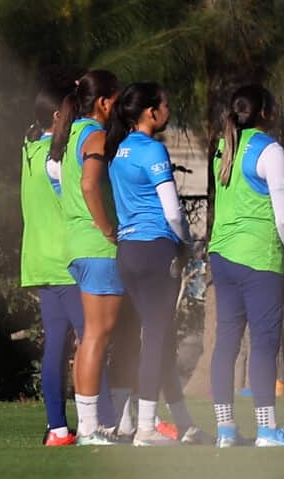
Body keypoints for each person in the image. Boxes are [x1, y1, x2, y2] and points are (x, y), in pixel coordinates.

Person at [207, 83, 284, 447]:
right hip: (258, 257)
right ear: (267, 112)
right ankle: (266, 430)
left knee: (226, 345)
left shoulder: (224, 146)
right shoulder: (270, 149)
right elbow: (283, 214)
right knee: (264, 344)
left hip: (223, 255)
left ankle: (225, 431)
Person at [104, 81, 192, 446]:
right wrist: (187, 242)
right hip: (155, 248)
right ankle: (146, 428)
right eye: (165, 105)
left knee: (147, 337)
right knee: (157, 338)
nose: (169, 111)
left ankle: (164, 422)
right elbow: (171, 209)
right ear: (150, 111)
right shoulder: (151, 149)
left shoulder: (119, 150)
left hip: (127, 251)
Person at [60, 68, 124, 444]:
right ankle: (87, 428)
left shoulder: (71, 136)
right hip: (96, 246)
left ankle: (88, 425)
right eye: (116, 101)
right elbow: (89, 183)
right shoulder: (95, 135)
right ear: (103, 102)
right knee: (97, 336)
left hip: (75, 245)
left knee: (90, 337)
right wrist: (107, 228)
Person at [23, 74, 81, 446]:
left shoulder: (28, 148)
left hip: (39, 260)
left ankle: (57, 428)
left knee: (57, 345)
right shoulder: (57, 159)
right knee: (92, 341)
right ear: (61, 115)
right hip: (67, 261)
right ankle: (100, 423)